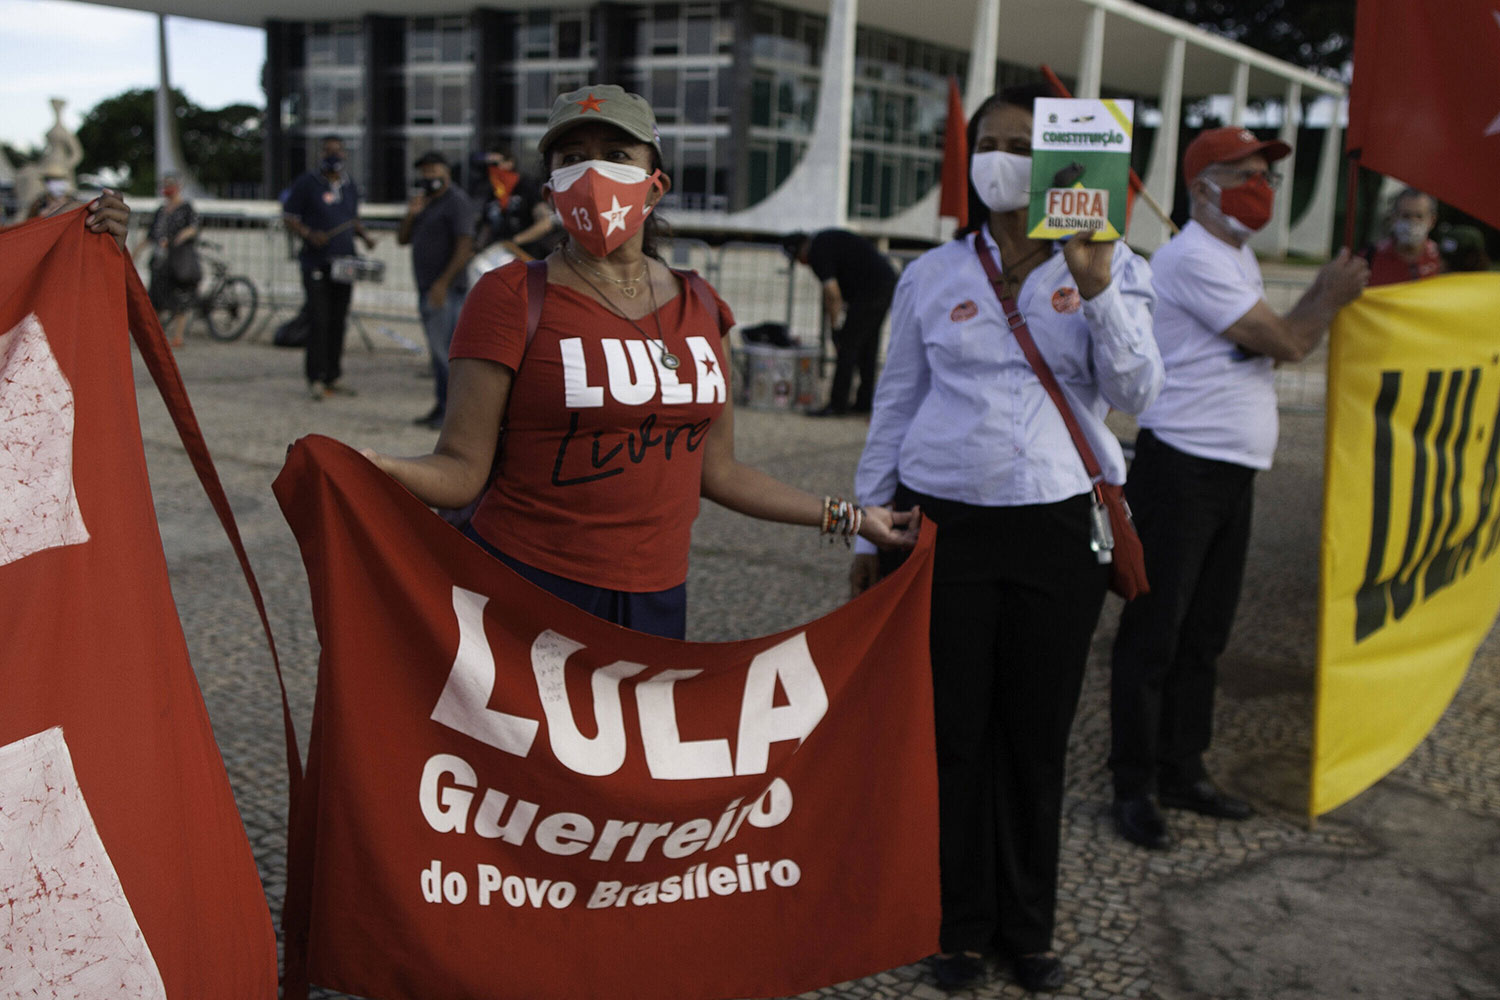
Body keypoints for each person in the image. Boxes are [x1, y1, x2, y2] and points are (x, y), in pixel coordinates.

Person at [361, 84, 918, 640]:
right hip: (525, 587)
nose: (594, 173)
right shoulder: (508, 296)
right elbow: (460, 469)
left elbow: (719, 471)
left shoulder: (703, 305)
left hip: (656, 600)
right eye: (572, 159)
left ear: (655, 188)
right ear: (553, 190)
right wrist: (374, 467)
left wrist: (853, 518)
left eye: (617, 155)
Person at [850, 84, 1164, 994]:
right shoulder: (932, 274)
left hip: (1058, 529)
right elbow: (897, 399)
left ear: (1064, 158)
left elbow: (1140, 392)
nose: (1001, 157)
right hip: (944, 524)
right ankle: (954, 925)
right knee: (954, 733)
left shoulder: (1112, 264)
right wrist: (870, 519)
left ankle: (1027, 930)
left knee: (1036, 734)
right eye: (988, 142)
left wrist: (1099, 285)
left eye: (1024, 143)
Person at [1108, 127, 1368, 852]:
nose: (1260, 186)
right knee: (1156, 631)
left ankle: (1181, 765)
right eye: (1244, 172)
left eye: (1267, 174)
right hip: (1182, 467)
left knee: (1206, 632)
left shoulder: (1235, 255)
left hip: (1230, 469)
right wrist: (1328, 294)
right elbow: (1286, 343)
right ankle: (1133, 782)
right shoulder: (1193, 256)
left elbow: (1265, 349)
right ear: (1203, 185)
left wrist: (1286, 327)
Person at [282, 135, 377, 400]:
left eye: (337, 151)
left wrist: (365, 236)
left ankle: (333, 375)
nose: (333, 155)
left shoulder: (350, 186)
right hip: (316, 262)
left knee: (338, 320)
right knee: (319, 320)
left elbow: (352, 219)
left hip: (345, 262)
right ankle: (315, 377)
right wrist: (308, 233)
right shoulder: (307, 183)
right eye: (328, 151)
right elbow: (289, 216)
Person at [782, 229, 897, 416]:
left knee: (847, 347)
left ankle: (837, 404)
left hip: (871, 290)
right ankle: (864, 402)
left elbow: (833, 295)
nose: (800, 264)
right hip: (884, 282)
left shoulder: (818, 253)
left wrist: (836, 329)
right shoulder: (823, 241)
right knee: (868, 345)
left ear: (799, 251)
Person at [399, 151, 476, 429]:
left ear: (446, 172)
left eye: (433, 170)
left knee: (446, 354)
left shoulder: (457, 202)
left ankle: (450, 413)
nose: (428, 176)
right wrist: (411, 214)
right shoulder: (425, 202)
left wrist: (443, 283)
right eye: (425, 171)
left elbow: (464, 245)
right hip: (427, 287)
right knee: (437, 354)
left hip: (446, 290)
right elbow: (402, 239)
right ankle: (441, 406)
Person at [131, 173, 199, 349]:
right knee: (156, 298)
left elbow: (193, 228)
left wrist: (178, 238)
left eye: (170, 185)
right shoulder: (161, 211)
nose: (167, 188)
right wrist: (135, 252)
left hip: (177, 260)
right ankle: (155, 335)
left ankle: (178, 336)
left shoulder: (186, 208)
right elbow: (151, 235)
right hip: (160, 260)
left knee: (179, 297)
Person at [472, 148, 558, 260]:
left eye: (497, 163)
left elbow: (546, 223)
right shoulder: (491, 191)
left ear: (510, 162)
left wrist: (514, 241)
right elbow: (487, 226)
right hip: (498, 256)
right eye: (490, 164)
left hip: (526, 256)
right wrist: (477, 249)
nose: (494, 168)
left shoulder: (526, 186)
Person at [1363, 188, 1443, 286]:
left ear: (1432, 221)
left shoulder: (1442, 260)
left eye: (1419, 216)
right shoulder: (1368, 258)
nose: (1412, 223)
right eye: (1406, 216)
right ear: (1394, 218)